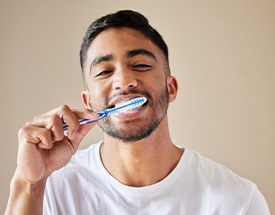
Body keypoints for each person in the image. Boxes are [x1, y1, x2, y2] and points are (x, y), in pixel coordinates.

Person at [5, 10, 270, 215]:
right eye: (104, 71)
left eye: (141, 65)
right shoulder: (52, 188)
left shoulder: (237, 202)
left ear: (171, 88)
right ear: (88, 101)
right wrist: (29, 183)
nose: (124, 81)